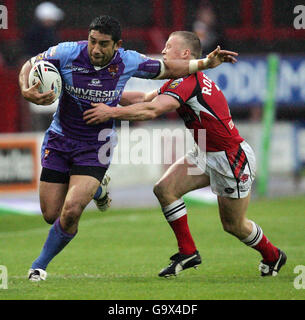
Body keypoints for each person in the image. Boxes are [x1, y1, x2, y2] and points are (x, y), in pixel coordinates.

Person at [18, 16, 238, 282]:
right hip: (59, 139)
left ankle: (39, 266)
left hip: (96, 144)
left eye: (103, 44)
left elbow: (168, 67)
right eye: (92, 41)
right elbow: (30, 65)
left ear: (117, 45)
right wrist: (25, 89)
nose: (96, 49)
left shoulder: (128, 60)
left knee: (71, 210)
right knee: (50, 214)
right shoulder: (67, 52)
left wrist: (206, 63)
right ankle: (98, 189)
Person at [83, 31, 287, 278]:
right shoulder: (179, 80)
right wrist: (94, 93)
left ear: (185, 54)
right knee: (164, 189)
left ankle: (273, 255)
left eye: (169, 47)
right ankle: (188, 251)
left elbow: (150, 110)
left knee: (234, 225)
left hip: (231, 159)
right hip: (204, 151)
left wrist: (110, 112)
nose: (164, 51)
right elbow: (144, 97)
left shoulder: (188, 82)